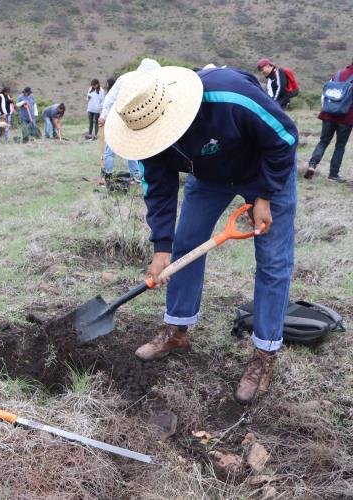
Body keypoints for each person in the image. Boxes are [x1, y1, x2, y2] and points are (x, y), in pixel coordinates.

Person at [106, 66, 298, 404]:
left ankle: (264, 354)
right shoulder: (148, 133)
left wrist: (265, 196)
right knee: (184, 245)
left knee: (272, 259)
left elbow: (284, 136)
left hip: (263, 169)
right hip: (208, 178)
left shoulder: (230, 98)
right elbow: (159, 190)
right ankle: (177, 330)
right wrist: (160, 247)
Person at [99, 58, 161, 183]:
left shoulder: (150, 82)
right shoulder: (125, 79)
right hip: (116, 118)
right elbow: (111, 98)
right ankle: (108, 176)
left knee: (132, 148)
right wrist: (104, 115)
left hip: (135, 119)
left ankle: (136, 176)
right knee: (111, 148)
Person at [305, 59, 353, 182]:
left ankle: (312, 165)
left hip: (328, 114)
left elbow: (324, 95)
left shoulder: (337, 74)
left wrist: (326, 109)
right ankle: (333, 174)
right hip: (346, 117)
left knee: (323, 141)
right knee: (340, 145)